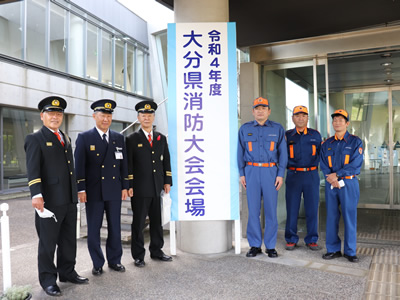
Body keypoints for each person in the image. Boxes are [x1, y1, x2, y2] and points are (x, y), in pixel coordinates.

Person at [24, 96, 88, 297]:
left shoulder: (65, 138)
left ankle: (67, 272)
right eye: (51, 113)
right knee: (48, 244)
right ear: (42, 116)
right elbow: (33, 170)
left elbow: (71, 170)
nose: (55, 117)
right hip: (49, 202)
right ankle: (48, 280)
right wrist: (36, 195)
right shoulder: (35, 139)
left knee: (69, 241)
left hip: (68, 200)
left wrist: (77, 191)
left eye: (59, 114)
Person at [74, 99, 129, 276]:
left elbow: (124, 165)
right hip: (94, 191)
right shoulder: (85, 137)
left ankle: (115, 260)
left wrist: (125, 186)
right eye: (102, 115)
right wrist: (80, 189)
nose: (106, 119)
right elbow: (79, 166)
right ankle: (97, 263)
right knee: (94, 228)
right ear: (94, 116)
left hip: (114, 189)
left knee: (115, 227)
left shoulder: (118, 138)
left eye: (109, 115)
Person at [237, 97, 287, 258]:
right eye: (257, 108)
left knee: (271, 211)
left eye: (263, 108)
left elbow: (283, 154)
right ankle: (255, 245)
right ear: (253, 111)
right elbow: (240, 152)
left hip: (270, 172)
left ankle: (271, 246)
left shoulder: (278, 129)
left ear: (269, 111)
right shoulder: (244, 129)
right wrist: (242, 173)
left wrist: (280, 174)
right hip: (251, 171)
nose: (260, 110)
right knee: (253, 211)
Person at [126, 100, 173, 267]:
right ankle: (138, 255)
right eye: (143, 115)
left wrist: (167, 181)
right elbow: (128, 164)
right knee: (138, 223)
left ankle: (157, 250)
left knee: (156, 221)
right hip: (139, 189)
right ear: (138, 117)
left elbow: (166, 161)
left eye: (150, 115)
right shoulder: (131, 139)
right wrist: (129, 185)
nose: (147, 118)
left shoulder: (160, 138)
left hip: (157, 187)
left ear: (153, 117)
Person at [320, 109, 363, 263]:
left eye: (341, 120)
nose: (337, 122)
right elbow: (323, 163)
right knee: (331, 217)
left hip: (349, 183)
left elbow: (356, 164)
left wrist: (337, 175)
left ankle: (350, 252)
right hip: (331, 184)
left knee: (349, 217)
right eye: (335, 120)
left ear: (347, 123)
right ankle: (333, 249)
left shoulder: (355, 141)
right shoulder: (327, 143)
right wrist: (331, 178)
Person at [285, 105, 322, 251]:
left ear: (307, 118)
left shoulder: (315, 135)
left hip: (311, 175)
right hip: (293, 175)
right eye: (297, 115)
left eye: (303, 115)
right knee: (292, 208)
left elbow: (321, 154)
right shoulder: (287, 135)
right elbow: (281, 155)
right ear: (293, 118)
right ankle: (291, 239)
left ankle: (312, 239)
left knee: (312, 208)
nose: (300, 118)